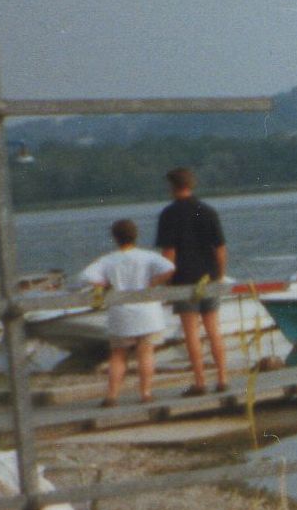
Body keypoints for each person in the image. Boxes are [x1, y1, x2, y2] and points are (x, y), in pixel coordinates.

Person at [78, 219, 174, 406]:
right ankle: (145, 393)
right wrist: (153, 282)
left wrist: (104, 284)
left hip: (121, 313)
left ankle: (112, 395)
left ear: (115, 238)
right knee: (145, 353)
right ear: (135, 235)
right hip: (147, 312)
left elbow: (86, 276)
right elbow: (170, 268)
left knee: (118, 355)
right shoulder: (147, 256)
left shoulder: (108, 259)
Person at [154, 166, 229, 396]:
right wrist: (219, 274)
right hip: (208, 277)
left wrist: (166, 279)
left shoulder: (169, 214)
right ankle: (223, 378)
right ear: (191, 184)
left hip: (184, 279)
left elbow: (169, 252)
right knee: (213, 328)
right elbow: (220, 249)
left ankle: (200, 381)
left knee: (191, 332)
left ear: (172, 187)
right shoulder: (207, 211)